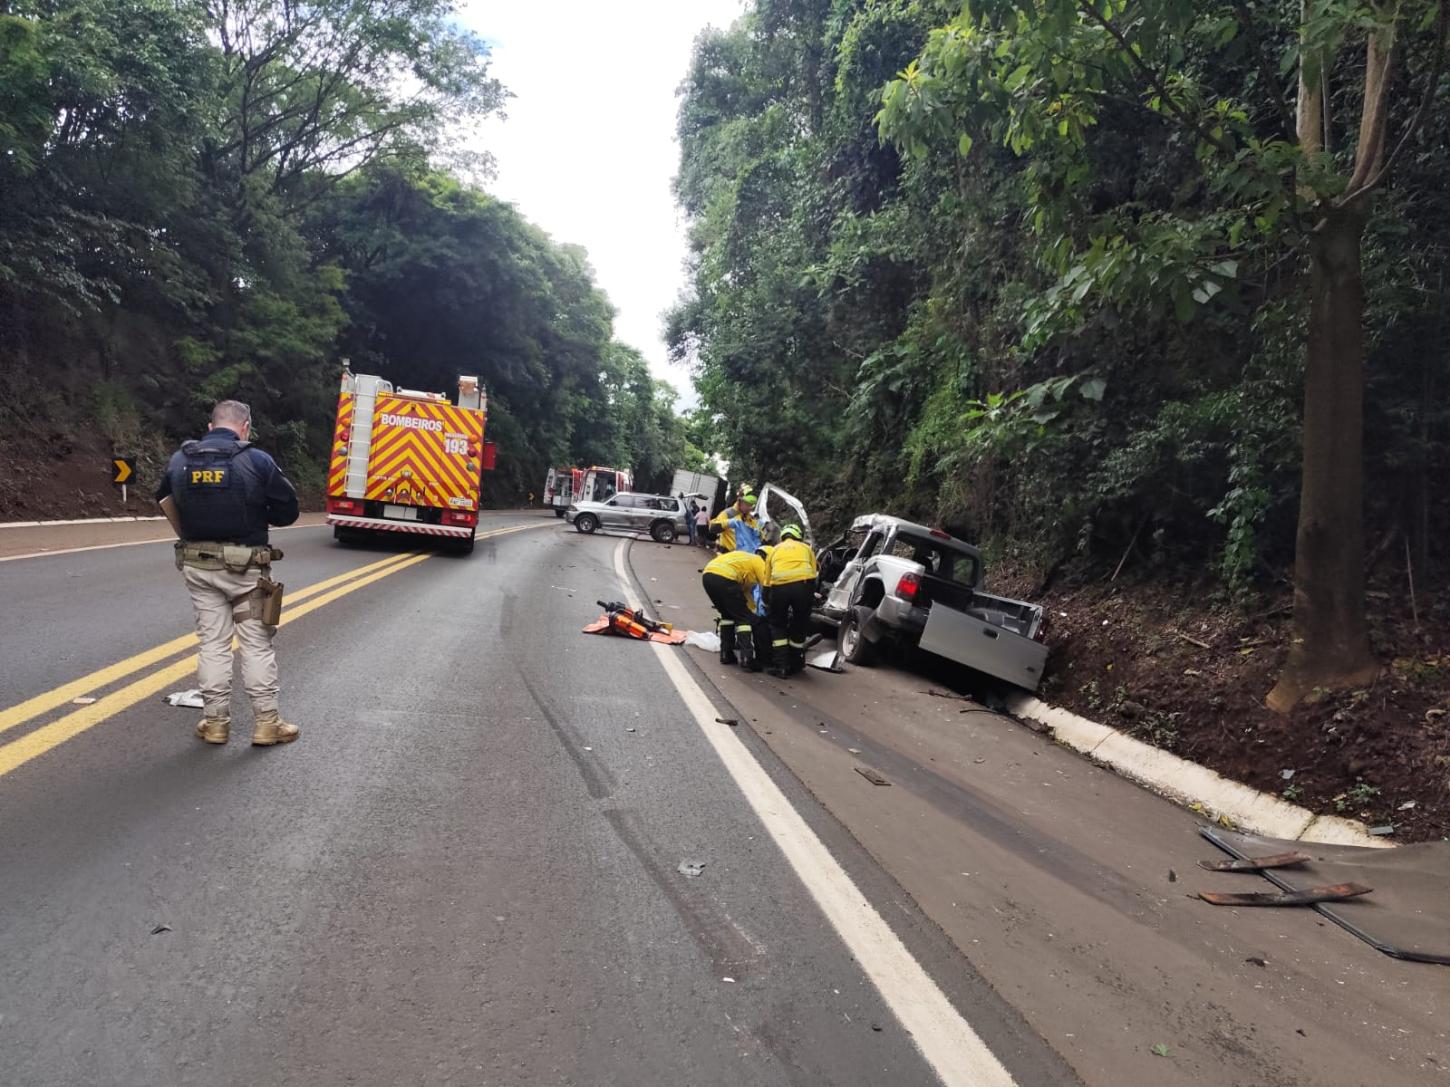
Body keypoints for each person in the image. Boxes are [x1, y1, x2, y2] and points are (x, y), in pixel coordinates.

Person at [156, 400, 300, 747]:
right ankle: (267, 723)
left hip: (198, 567)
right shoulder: (256, 460)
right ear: (246, 427)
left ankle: (215, 723)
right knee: (255, 644)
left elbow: (164, 499)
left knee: (213, 645)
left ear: (210, 427)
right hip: (247, 570)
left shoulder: (180, 460)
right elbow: (288, 510)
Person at [764, 523, 818, 677]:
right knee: (800, 623)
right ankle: (797, 663)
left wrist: (766, 601)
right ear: (798, 536)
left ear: (783, 536)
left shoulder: (774, 550)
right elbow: (814, 573)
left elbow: (767, 580)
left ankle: (781, 666)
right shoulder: (806, 548)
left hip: (780, 588)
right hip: (803, 586)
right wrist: (810, 594)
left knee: (777, 624)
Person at [700, 547, 768, 671]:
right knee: (743, 620)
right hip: (726, 578)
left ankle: (726, 654)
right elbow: (766, 586)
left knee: (727, 615)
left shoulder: (744, 562)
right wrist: (768, 607)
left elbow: (746, 600)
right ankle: (747, 659)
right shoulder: (760, 561)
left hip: (708, 576)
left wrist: (752, 612)